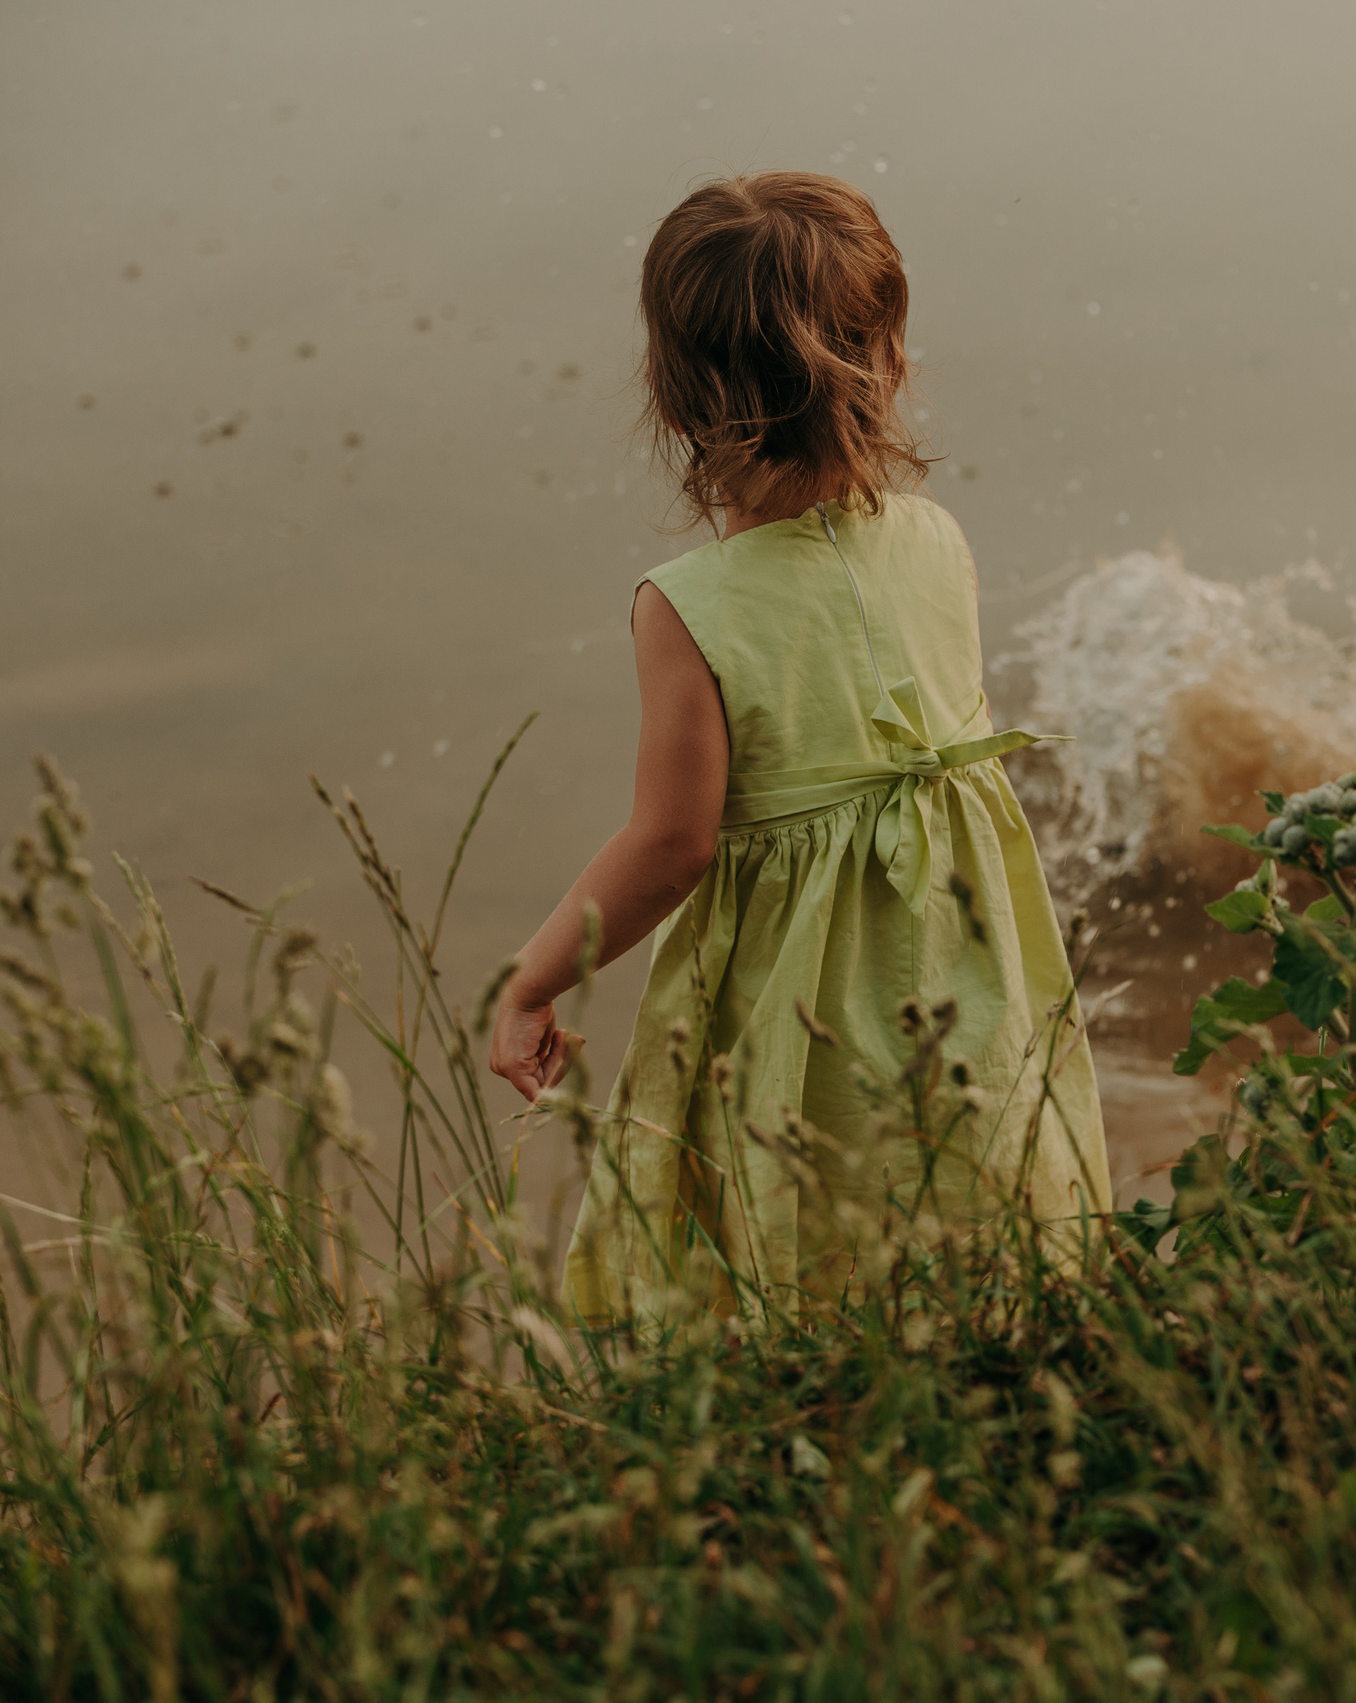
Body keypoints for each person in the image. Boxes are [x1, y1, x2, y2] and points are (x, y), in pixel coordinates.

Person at [487, 171, 1108, 1325]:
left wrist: (532, 978)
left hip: (806, 984)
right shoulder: (935, 539)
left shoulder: (687, 605)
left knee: (803, 1201)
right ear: (888, 361)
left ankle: (802, 1400)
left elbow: (672, 845)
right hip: (963, 953)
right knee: (966, 1164)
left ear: (675, 399)